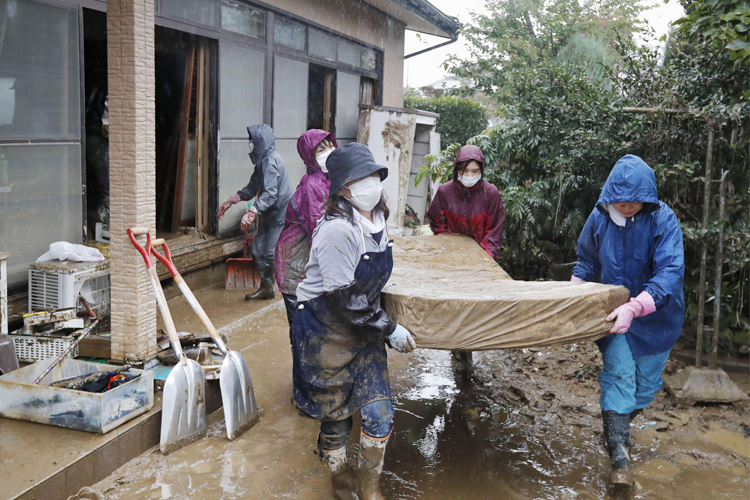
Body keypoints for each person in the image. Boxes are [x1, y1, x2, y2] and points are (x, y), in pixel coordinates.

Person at [292, 143, 417, 500]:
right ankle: (343, 486)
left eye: (374, 176)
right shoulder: (337, 230)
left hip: (364, 327)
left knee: (379, 412)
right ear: (342, 189)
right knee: (337, 419)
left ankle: (369, 487)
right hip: (324, 330)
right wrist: (390, 328)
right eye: (360, 179)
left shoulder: (377, 219)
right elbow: (343, 297)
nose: (371, 185)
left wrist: (384, 322)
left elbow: (371, 282)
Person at [571, 154, 684, 496]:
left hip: (657, 317)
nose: (627, 205)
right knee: (620, 377)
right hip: (613, 316)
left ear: (647, 197)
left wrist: (637, 306)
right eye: (621, 199)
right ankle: (620, 462)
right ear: (609, 195)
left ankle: (613, 426)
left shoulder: (663, 220)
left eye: (635, 199)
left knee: (645, 388)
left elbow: (670, 272)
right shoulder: (600, 217)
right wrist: (571, 304)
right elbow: (587, 262)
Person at [426, 144, 505, 371]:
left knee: (472, 307)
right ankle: (457, 349)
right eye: (465, 171)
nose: (469, 176)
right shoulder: (445, 192)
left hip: (480, 262)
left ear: (481, 171)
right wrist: (449, 246)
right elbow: (435, 221)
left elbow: (495, 230)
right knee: (454, 304)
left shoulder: (491, 194)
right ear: (457, 170)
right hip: (452, 262)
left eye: (474, 171)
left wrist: (484, 260)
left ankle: (467, 350)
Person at [218, 124, 293, 300]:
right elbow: (252, 187)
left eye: (252, 141)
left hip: (281, 215)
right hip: (269, 215)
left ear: (260, 142)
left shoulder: (271, 160)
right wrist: (231, 200)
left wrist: (252, 211)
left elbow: (270, 193)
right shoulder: (262, 162)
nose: (250, 144)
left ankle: (285, 287)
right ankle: (266, 288)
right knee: (258, 251)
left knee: (269, 253)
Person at [274, 130, 336, 335]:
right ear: (310, 156)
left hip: (308, 260)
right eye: (321, 149)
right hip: (295, 263)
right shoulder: (312, 186)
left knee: (316, 327)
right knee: (303, 329)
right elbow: (319, 231)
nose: (329, 151)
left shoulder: (329, 179)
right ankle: (303, 365)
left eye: (330, 145)